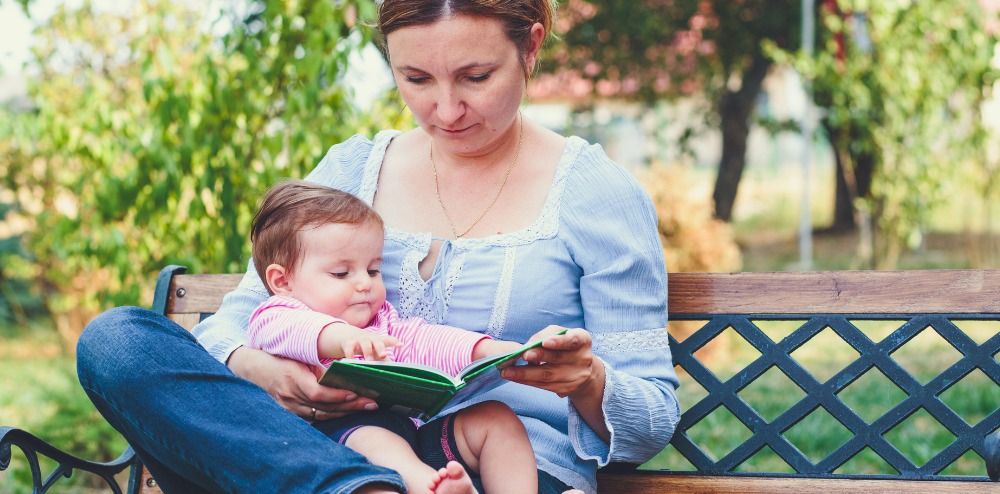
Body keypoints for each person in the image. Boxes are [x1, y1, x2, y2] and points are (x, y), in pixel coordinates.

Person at [76, 1, 680, 493]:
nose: (445, 110)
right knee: (118, 340)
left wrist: (586, 379)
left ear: (530, 47)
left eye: (476, 77)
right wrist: (272, 376)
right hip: (322, 450)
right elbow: (234, 326)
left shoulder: (595, 193)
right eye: (415, 79)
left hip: (501, 466)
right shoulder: (353, 168)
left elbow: (651, 417)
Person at [246, 180, 538, 494]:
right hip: (334, 445)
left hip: (412, 438)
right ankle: (433, 489)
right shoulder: (275, 314)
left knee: (496, 420)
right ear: (283, 280)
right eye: (342, 273)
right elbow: (294, 331)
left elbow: (428, 340)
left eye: (372, 270)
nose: (364, 284)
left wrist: (495, 351)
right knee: (378, 441)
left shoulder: (381, 320)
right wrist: (343, 338)